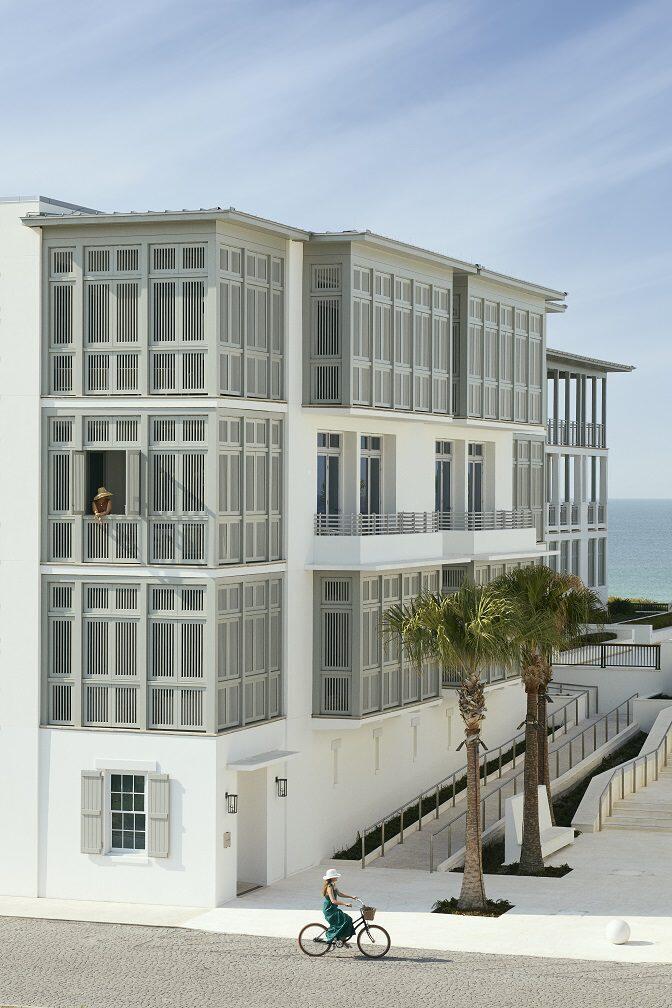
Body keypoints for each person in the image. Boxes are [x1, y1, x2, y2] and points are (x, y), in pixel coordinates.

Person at [319, 869, 357, 946]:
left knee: (348, 919)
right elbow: (333, 901)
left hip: (333, 908)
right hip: (329, 910)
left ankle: (342, 940)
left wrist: (351, 896)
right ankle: (331, 937)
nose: (337, 877)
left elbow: (339, 894)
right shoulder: (329, 887)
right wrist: (345, 903)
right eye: (335, 876)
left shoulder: (333, 884)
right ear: (332, 877)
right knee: (344, 920)